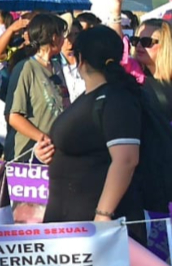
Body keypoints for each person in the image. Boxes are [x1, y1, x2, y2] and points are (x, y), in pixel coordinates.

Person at [37, 26, 143, 231]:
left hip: (93, 225)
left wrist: (103, 215)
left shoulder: (116, 98)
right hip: (68, 220)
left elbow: (126, 160)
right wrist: (47, 152)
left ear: (81, 59)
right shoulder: (92, 98)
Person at [7, 14, 69, 162]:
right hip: (27, 156)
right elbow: (14, 116)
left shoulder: (57, 67)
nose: (65, 40)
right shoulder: (26, 68)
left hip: (53, 153)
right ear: (53, 37)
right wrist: (43, 138)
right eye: (62, 34)